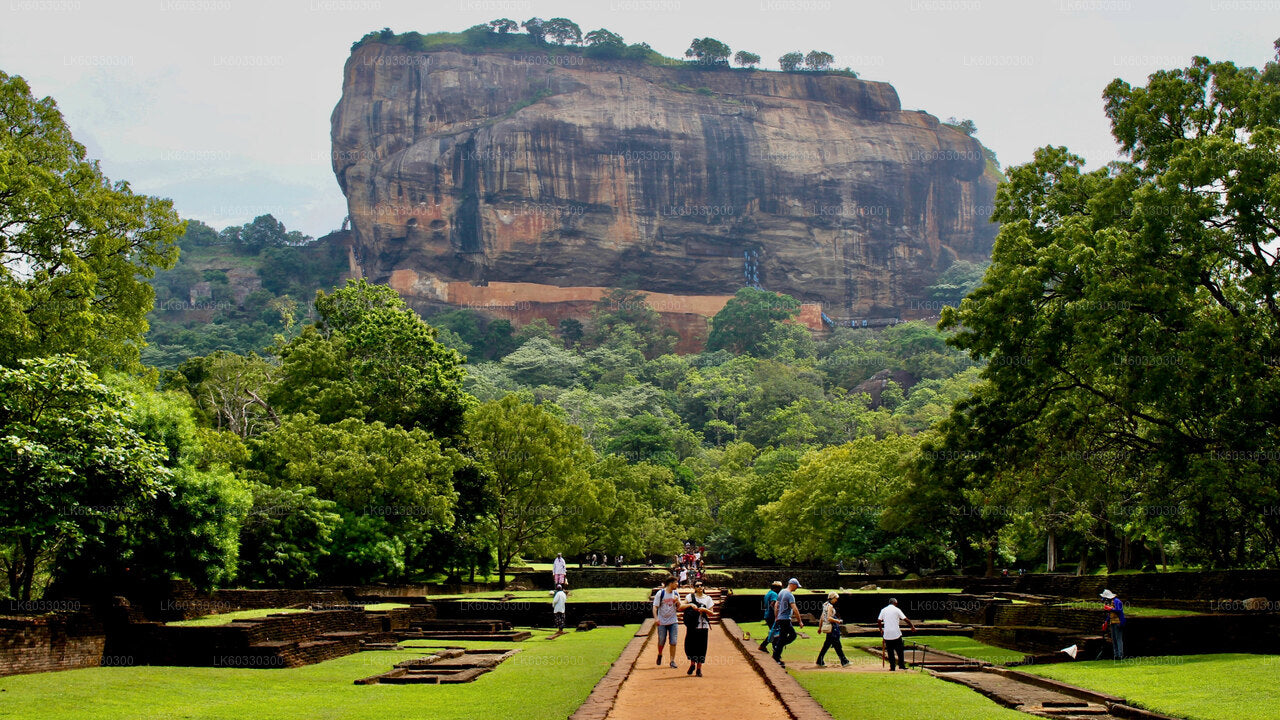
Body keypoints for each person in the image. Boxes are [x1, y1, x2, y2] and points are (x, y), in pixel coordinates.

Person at [680, 581, 715, 676]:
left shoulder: (708, 599)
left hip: (703, 626)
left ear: (704, 587)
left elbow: (712, 613)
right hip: (692, 625)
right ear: (694, 587)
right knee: (691, 646)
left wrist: (704, 610)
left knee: (702, 647)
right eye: (697, 586)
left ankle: (699, 668)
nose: (700, 587)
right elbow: (680, 606)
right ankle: (692, 663)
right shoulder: (690, 597)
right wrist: (690, 605)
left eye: (701, 585)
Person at [771, 578, 803, 667]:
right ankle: (776, 654)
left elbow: (776, 605)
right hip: (785, 619)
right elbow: (795, 609)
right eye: (796, 586)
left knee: (783, 637)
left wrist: (776, 617)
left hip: (781, 618)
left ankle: (777, 649)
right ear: (793, 585)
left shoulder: (781, 592)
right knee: (792, 635)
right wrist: (800, 621)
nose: (797, 588)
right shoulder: (789, 595)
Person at [877, 598, 916, 671]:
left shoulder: (883, 610)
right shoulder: (897, 610)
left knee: (890, 651)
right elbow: (905, 619)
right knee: (900, 650)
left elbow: (879, 620)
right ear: (895, 603)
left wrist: (881, 630)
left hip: (887, 634)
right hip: (896, 633)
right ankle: (901, 665)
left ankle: (892, 667)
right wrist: (912, 626)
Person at [652, 576, 681, 668]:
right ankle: (660, 654)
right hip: (662, 621)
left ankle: (672, 661)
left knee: (673, 641)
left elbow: (679, 607)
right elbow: (655, 607)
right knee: (661, 641)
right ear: (670, 583)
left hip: (673, 621)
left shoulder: (676, 594)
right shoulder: (661, 593)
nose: (677, 585)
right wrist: (656, 618)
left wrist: (677, 602)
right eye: (676, 583)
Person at [816, 591, 849, 667]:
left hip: (828, 627)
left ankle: (820, 660)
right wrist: (838, 621)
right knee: (836, 644)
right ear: (833, 598)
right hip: (832, 628)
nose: (836, 600)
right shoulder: (830, 606)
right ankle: (844, 661)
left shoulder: (825, 605)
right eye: (836, 599)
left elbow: (822, 617)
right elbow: (829, 618)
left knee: (828, 645)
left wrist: (820, 627)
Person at [758, 580, 783, 652]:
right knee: (776, 633)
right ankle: (774, 649)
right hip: (772, 616)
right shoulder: (774, 594)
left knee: (773, 632)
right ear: (777, 588)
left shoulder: (768, 593)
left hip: (767, 615)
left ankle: (764, 646)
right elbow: (773, 604)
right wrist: (777, 613)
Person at [1100, 589, 1126, 659]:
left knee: (1118, 639)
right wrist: (1106, 621)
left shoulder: (1117, 601)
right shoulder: (1110, 602)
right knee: (1114, 639)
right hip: (1112, 622)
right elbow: (1110, 614)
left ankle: (1120, 655)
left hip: (1118, 622)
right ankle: (1116, 654)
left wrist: (1110, 609)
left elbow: (1118, 610)